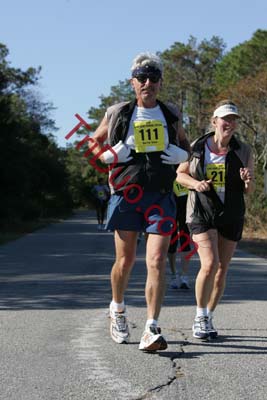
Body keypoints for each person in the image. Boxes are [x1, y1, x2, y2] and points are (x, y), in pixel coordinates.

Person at [89, 52, 190, 351]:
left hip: (160, 195)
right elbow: (94, 142)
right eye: (142, 78)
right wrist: (106, 156)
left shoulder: (171, 113)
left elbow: (186, 144)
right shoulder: (118, 112)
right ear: (133, 82)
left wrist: (183, 157)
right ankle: (117, 309)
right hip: (126, 193)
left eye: (154, 77)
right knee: (126, 260)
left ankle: (151, 328)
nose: (148, 83)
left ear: (160, 82)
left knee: (157, 260)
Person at [176, 99, 254, 339]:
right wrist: (196, 183)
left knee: (222, 269)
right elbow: (180, 175)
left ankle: (208, 316)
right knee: (209, 264)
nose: (229, 123)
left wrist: (247, 181)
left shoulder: (243, 150)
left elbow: (248, 190)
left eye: (233, 119)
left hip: (231, 213)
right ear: (214, 121)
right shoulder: (197, 146)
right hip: (202, 211)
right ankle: (199, 316)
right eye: (225, 118)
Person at [168, 180, 191, 290]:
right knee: (171, 239)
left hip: (186, 201)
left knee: (185, 237)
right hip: (169, 201)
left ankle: (184, 275)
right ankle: (173, 274)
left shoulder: (186, 162)